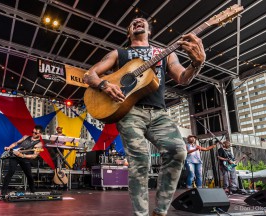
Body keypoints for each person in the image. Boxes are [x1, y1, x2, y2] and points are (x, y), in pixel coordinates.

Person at [84, 17, 205, 216]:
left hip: (159, 113)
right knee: (140, 159)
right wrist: (104, 85)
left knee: (178, 151)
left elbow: (183, 77)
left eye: (142, 21)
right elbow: (90, 74)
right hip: (129, 112)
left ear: (149, 31)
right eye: (133, 22)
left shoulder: (164, 53)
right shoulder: (119, 53)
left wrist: (197, 64)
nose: (138, 21)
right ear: (129, 32)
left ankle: (160, 211)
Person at [1, 125, 44, 196]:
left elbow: (34, 156)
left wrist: (23, 155)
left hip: (25, 158)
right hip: (16, 155)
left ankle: (33, 191)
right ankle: (3, 192)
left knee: (29, 175)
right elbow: (16, 143)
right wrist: (9, 147)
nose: (33, 134)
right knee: (10, 172)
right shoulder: (26, 137)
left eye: (35, 133)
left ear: (40, 134)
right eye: (33, 132)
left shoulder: (39, 144)